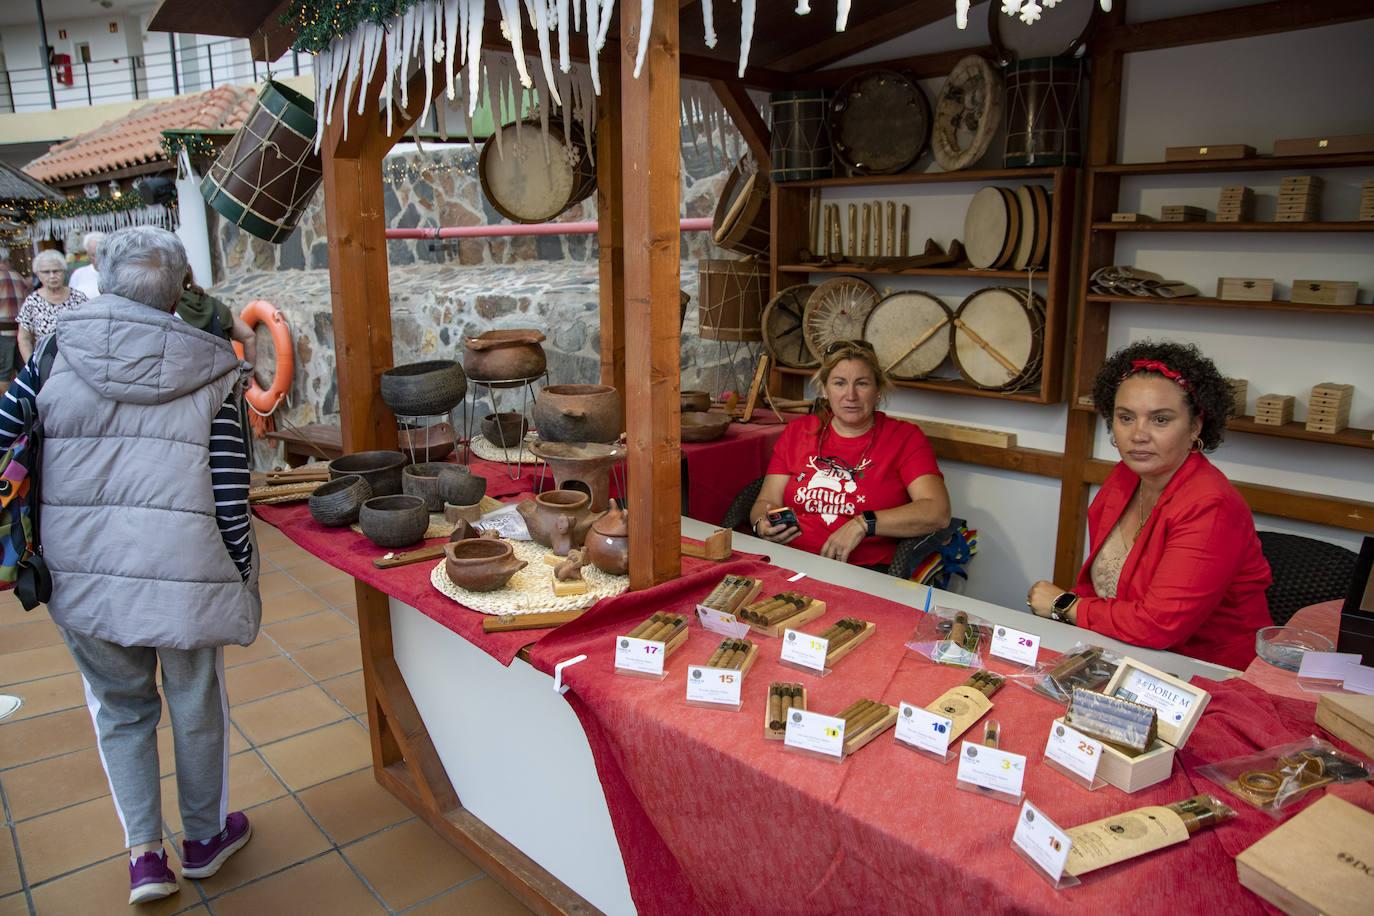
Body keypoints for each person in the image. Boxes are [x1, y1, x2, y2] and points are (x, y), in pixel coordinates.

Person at [0, 227, 261, 905]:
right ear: (179, 291)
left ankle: (146, 856)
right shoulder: (214, 365)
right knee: (195, 702)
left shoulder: (53, 352)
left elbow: (6, 442)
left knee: (120, 709)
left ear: (103, 281)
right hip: (189, 568)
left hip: (79, 568)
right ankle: (204, 838)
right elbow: (230, 490)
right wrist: (238, 575)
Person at [1026, 341, 1271, 670]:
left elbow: (1158, 626)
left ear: (1195, 426)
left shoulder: (1211, 506)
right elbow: (1098, 584)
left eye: (1160, 420)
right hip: (1129, 654)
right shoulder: (1124, 478)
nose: (1138, 435)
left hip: (1208, 676)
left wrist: (1064, 604)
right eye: (1126, 417)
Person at [749, 339, 952, 569]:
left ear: (878, 390)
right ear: (825, 389)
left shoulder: (905, 438)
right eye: (839, 383)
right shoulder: (798, 431)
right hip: (788, 561)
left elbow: (937, 512)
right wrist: (761, 525)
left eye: (862, 383)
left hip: (862, 571)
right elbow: (765, 502)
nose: (851, 395)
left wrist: (864, 523)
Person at [18, 248, 88, 362]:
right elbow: (23, 338)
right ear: (38, 275)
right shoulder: (32, 301)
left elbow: (90, 329)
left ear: (64, 272)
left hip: (77, 360)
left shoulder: (79, 298)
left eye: (56, 271)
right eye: (46, 272)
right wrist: (31, 365)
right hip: (46, 362)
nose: (52, 276)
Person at [176, 275, 257, 365]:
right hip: (228, 374)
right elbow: (249, 336)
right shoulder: (212, 303)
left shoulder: (169, 309)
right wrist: (249, 376)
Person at [0, 250, 30, 380]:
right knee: (25, 371)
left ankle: (5, 401)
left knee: (3, 374)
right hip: (21, 332)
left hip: (2, 333)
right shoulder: (18, 276)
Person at [69, 231, 104, 298]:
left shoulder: (117, 273)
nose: (98, 259)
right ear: (87, 254)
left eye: (102, 254)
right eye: (93, 255)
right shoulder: (78, 274)